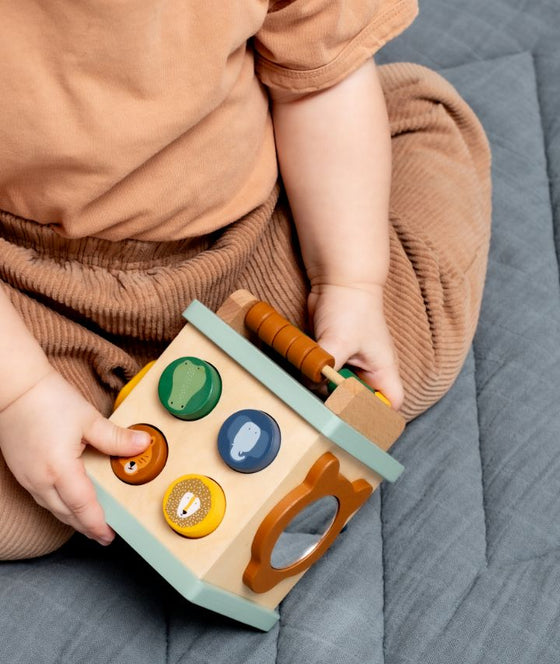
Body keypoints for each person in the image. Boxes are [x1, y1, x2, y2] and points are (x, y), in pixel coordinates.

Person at [0, 0, 491, 560]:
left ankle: (400, 117)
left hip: (251, 239)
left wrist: (350, 283)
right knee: (28, 513)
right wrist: (20, 398)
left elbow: (316, 83)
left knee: (399, 370)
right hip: (27, 293)